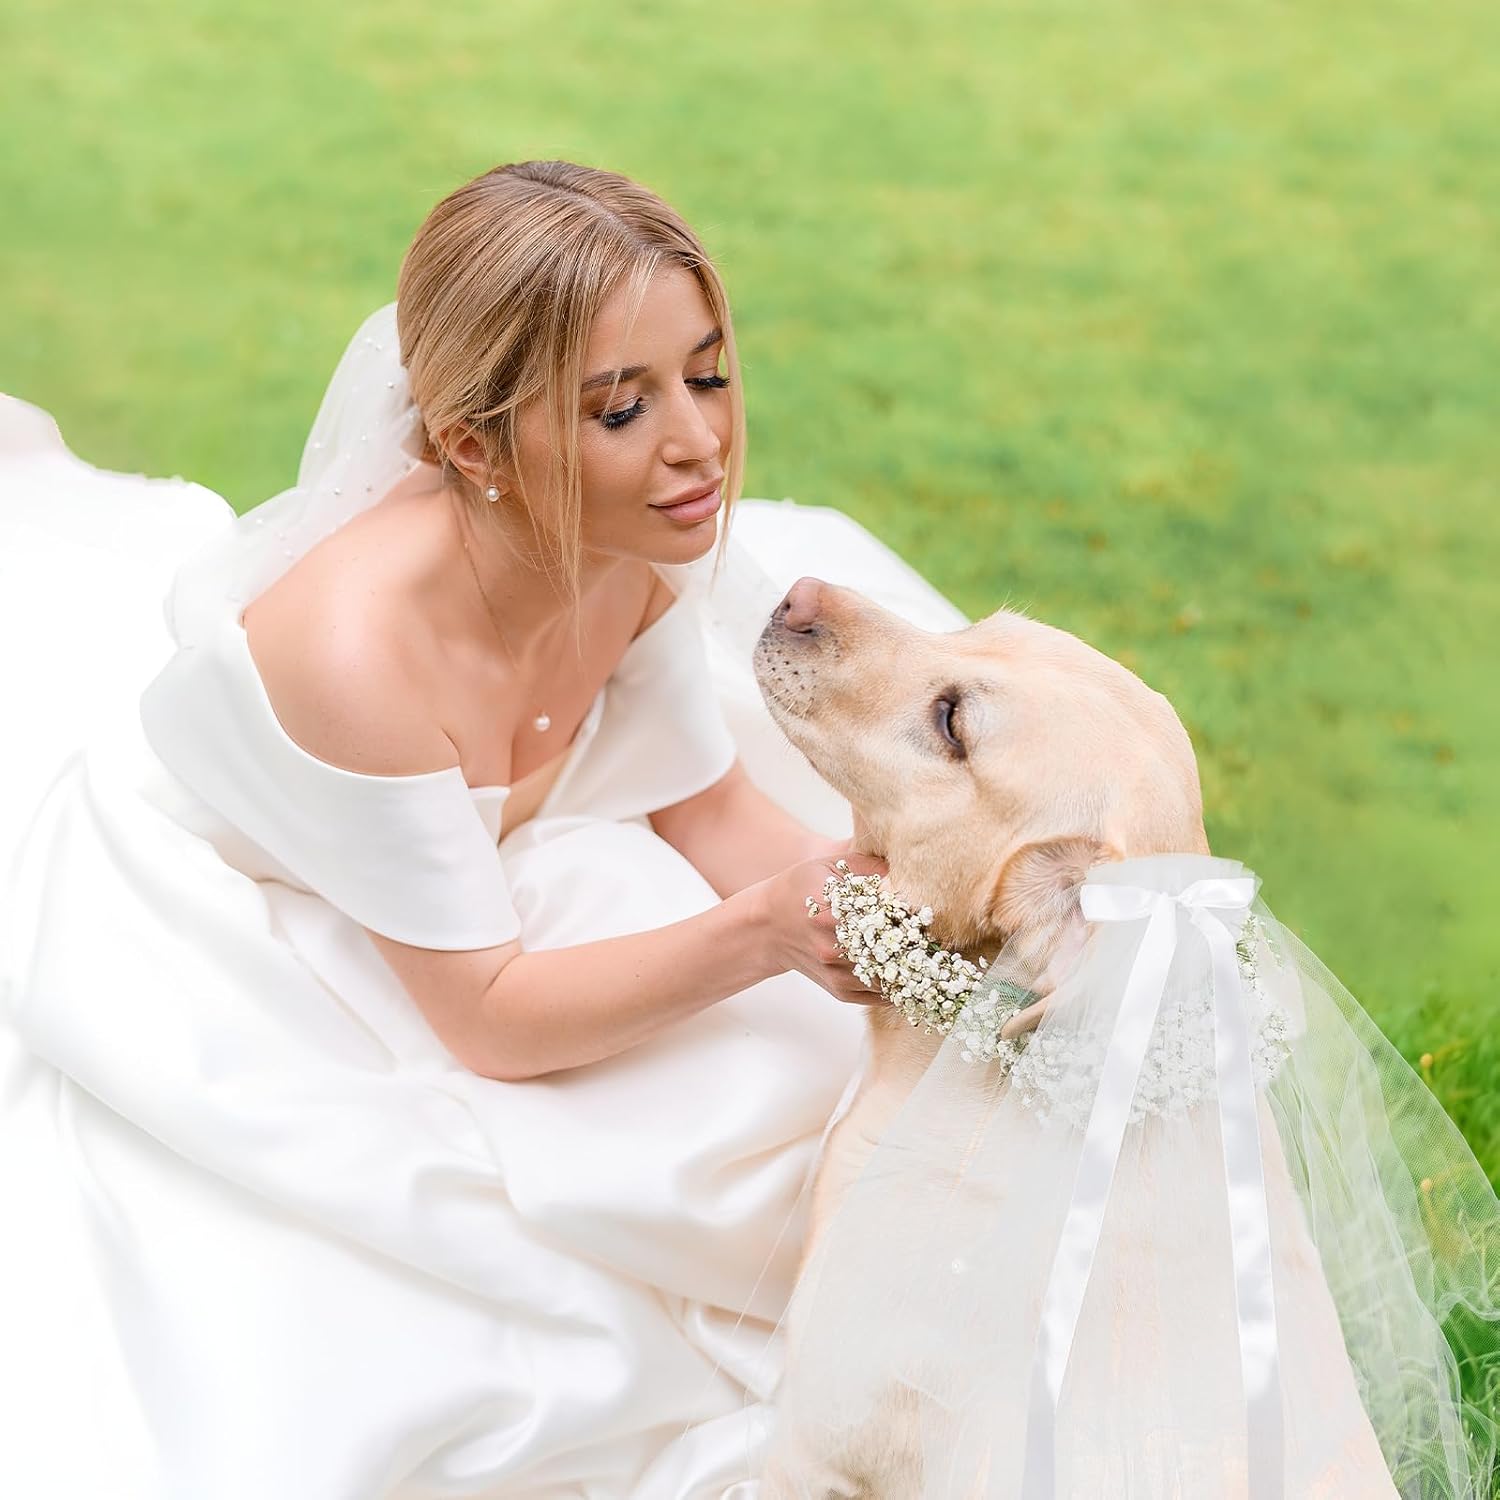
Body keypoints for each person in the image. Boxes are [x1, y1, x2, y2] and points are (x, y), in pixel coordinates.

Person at [0, 160, 970, 1499]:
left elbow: (703, 804)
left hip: (520, 870)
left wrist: (904, 924)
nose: (699, 442)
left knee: (833, 1083)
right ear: (468, 445)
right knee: (501, 1282)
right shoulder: (357, 651)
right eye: (622, 407)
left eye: (707, 374)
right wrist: (764, 933)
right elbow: (489, 1020)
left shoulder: (641, 532)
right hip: (287, 935)